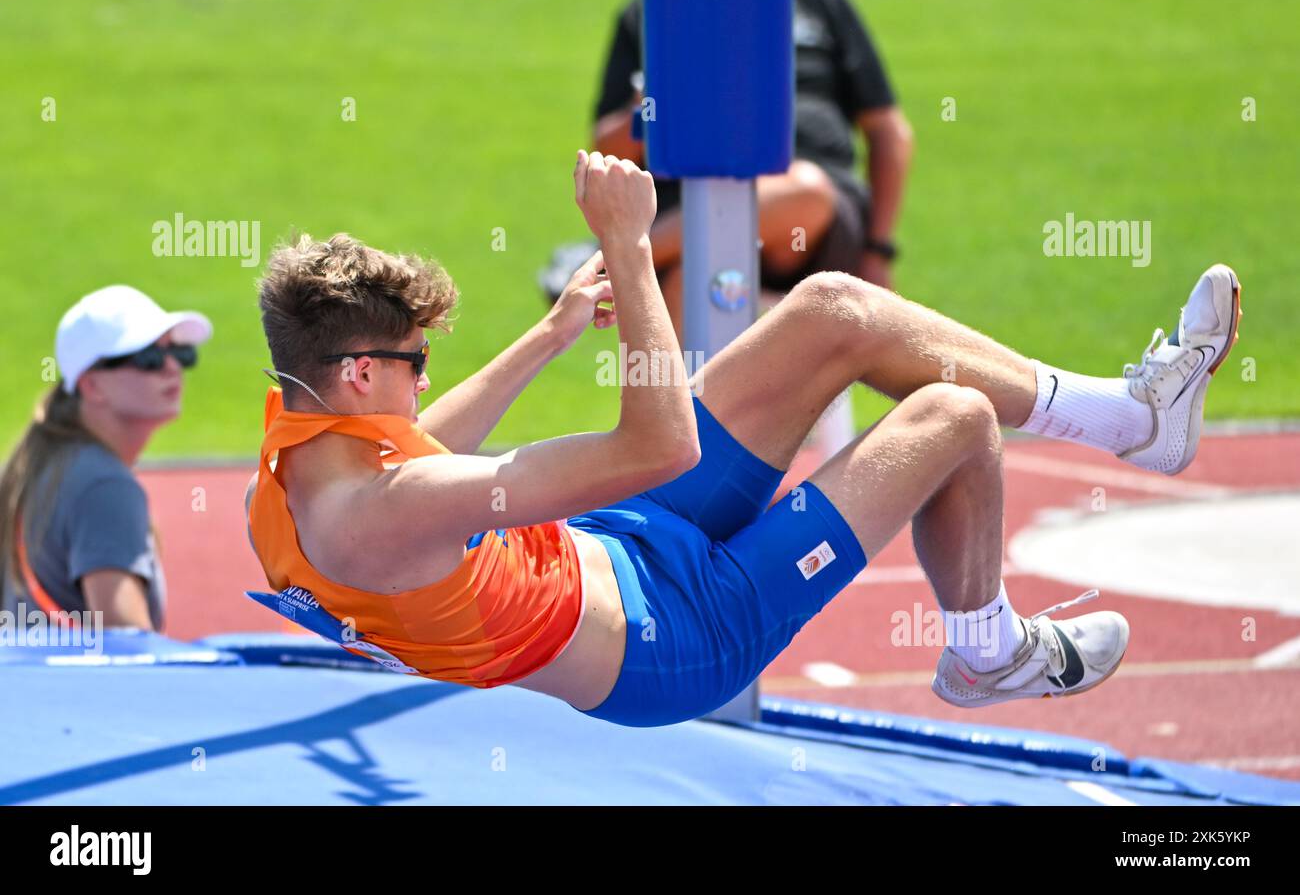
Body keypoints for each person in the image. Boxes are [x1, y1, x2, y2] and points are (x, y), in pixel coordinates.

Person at [247, 151, 1240, 727]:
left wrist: (548, 339)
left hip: (621, 540)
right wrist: (636, 249)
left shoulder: (300, 443)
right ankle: (988, 650)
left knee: (834, 307)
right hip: (671, 635)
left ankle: (1137, 418)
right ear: (359, 375)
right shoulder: (379, 513)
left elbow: (410, 437)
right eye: (415, 361)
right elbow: (655, 447)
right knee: (951, 418)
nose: (424, 378)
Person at [540, 0, 914, 335]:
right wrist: (658, 97)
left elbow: (888, 130)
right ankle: (676, 393)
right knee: (697, 266)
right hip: (689, 201)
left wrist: (877, 250)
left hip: (816, 215)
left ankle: (611, 261)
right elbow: (606, 149)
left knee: (803, 189)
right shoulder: (650, 10)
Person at [0, 286, 212, 631]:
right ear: (92, 385)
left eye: (180, 353)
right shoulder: (105, 486)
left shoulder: (40, 467)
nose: (172, 367)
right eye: (148, 358)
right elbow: (127, 647)